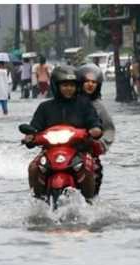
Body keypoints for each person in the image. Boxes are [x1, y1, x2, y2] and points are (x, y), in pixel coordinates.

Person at [24, 65, 103, 199]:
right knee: (33, 168)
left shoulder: (84, 104)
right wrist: (30, 136)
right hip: (50, 151)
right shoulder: (45, 107)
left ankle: (89, 203)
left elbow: (94, 122)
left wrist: (95, 129)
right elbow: (35, 127)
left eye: (72, 86)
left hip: (79, 150)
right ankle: (37, 201)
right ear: (56, 86)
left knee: (88, 167)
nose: (68, 89)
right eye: (65, 85)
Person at [77, 63, 116, 196]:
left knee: (95, 169)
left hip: (88, 149)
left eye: (94, 82)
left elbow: (109, 129)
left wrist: (101, 144)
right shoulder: (68, 103)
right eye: (87, 81)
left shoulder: (99, 107)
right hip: (64, 147)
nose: (90, 85)